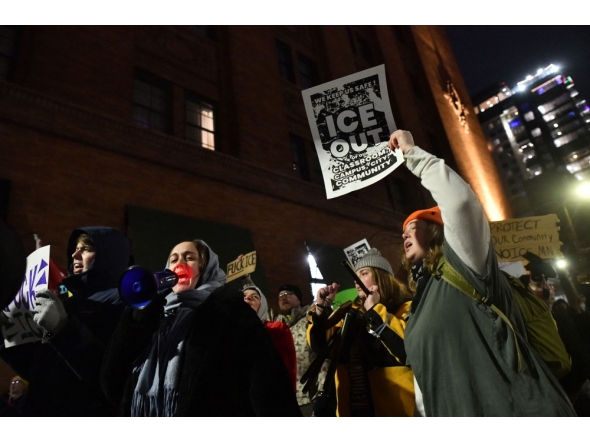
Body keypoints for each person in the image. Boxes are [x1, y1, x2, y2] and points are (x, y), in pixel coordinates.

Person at [391, 129, 576, 416]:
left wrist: (412, 154)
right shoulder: (422, 297)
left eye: (413, 227)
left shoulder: (465, 264)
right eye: (402, 232)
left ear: (438, 231)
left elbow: (461, 204)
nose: (405, 235)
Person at [101, 239, 300, 416]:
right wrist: (136, 323)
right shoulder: (152, 313)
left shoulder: (230, 312)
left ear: (205, 269)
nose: (180, 263)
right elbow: (112, 383)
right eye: (173, 259)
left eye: (189, 258)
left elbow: (266, 385)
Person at [0, 226, 131, 416]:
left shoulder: (122, 304)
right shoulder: (68, 299)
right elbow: (35, 369)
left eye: (86, 248)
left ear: (110, 256)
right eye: (75, 248)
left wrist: (63, 328)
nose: (75, 254)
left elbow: (106, 374)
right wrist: (6, 332)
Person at [307, 248, 415, 416]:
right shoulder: (350, 312)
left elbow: (406, 348)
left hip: (396, 408)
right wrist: (321, 309)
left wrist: (374, 310)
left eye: (364, 273)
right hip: (354, 409)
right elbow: (321, 347)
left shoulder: (405, 307)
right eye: (356, 275)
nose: (357, 281)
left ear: (381, 276)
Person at [268, 283, 329, 416]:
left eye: (288, 294)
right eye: (280, 296)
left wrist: (322, 395)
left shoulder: (311, 318)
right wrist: (246, 280)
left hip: (309, 398)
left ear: (299, 299)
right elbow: (255, 304)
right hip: (284, 400)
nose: (283, 297)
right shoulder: (275, 325)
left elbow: (324, 357)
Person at [242, 283, 297, 391]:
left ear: (262, 306)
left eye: (255, 297)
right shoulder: (227, 334)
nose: (247, 298)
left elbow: (287, 369)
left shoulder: (276, 329)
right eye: (243, 297)